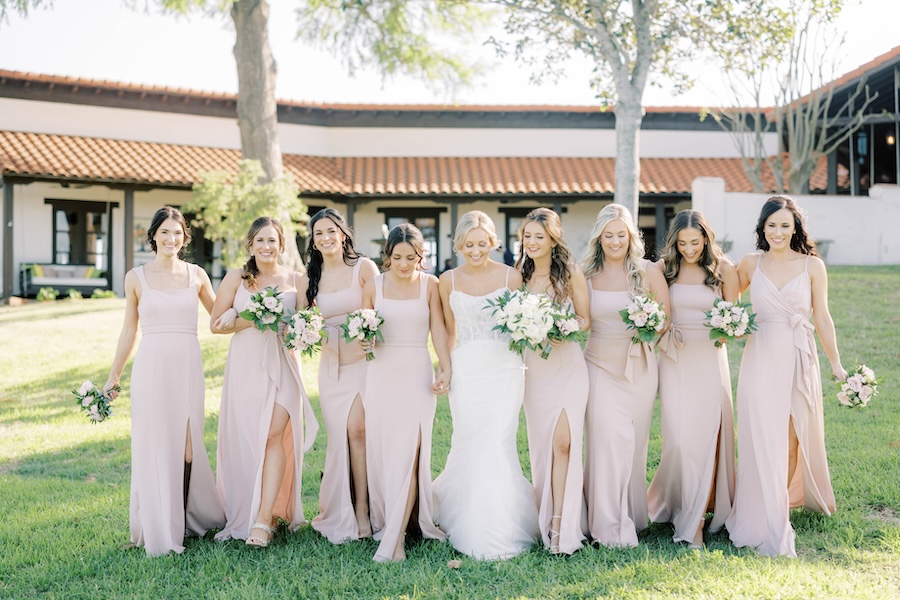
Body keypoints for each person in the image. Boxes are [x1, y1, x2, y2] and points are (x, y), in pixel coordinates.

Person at [726, 196, 846, 557]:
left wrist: (835, 364)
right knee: (762, 433)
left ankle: (782, 506)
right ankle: (761, 510)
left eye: (784, 225)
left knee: (792, 435)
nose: (777, 232)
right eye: (771, 225)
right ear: (762, 228)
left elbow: (822, 317)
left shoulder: (813, 266)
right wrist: (734, 325)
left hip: (798, 356)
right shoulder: (749, 264)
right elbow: (727, 306)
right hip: (761, 356)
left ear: (795, 228)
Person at [103, 206, 224, 557]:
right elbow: (130, 330)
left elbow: (219, 318)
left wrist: (259, 308)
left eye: (178, 233)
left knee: (187, 447)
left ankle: (184, 518)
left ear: (185, 237)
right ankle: (161, 525)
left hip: (187, 367)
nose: (172, 239)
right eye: (165, 232)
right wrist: (114, 377)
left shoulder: (197, 275)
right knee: (155, 445)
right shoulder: (136, 278)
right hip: (151, 369)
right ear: (153, 235)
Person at [433, 210, 539, 560]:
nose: (475, 250)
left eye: (481, 243)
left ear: (492, 242)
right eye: (468, 244)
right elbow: (449, 332)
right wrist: (445, 369)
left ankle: (497, 526)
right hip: (467, 371)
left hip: (505, 370)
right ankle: (463, 517)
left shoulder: (512, 277)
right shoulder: (447, 280)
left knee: (497, 442)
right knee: (467, 441)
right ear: (459, 244)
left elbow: (525, 324)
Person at [211, 216, 316, 547]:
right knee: (250, 438)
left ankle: (264, 519)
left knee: (273, 434)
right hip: (246, 366)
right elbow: (216, 325)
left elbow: (308, 324)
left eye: (272, 240)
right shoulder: (236, 279)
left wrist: (297, 329)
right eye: (260, 241)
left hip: (284, 364)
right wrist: (249, 319)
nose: (267, 247)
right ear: (251, 246)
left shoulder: (297, 280)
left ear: (282, 245)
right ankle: (248, 506)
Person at [647, 209, 738, 549]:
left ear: (706, 240)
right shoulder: (663, 270)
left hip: (709, 361)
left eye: (695, 243)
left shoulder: (723, 271)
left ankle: (695, 521)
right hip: (673, 359)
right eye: (682, 243)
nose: (688, 250)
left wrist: (728, 330)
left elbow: (734, 320)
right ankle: (674, 503)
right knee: (678, 441)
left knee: (703, 442)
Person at [581, 203, 670, 547]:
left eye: (621, 234)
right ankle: (606, 522)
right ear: (599, 237)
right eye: (608, 235)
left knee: (633, 444)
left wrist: (649, 324)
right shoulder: (585, 273)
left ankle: (632, 512)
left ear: (631, 236)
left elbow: (665, 318)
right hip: (599, 365)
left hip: (640, 367)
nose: (615, 241)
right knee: (607, 441)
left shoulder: (647, 271)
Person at [361, 224, 451, 562]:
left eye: (410, 257)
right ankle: (396, 521)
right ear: (387, 257)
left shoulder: (431, 285)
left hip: (416, 373)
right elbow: (364, 330)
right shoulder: (373, 285)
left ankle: (396, 539)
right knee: (388, 453)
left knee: (411, 453)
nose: (403, 264)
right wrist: (365, 341)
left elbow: (439, 329)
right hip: (381, 374)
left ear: (420, 257)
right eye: (397, 257)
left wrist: (445, 366)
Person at [515, 208, 590, 555]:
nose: (531, 242)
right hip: (535, 369)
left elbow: (585, 319)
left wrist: (566, 328)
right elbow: (512, 318)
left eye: (538, 236)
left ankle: (563, 524)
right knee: (543, 446)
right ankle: (545, 518)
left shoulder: (571, 273)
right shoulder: (520, 275)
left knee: (565, 443)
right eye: (527, 236)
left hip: (568, 365)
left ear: (553, 238)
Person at [306, 208, 380, 543]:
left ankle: (364, 511)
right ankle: (343, 507)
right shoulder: (313, 276)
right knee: (341, 440)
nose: (325, 238)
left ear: (343, 233)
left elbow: (379, 312)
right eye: (318, 233)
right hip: (331, 368)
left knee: (360, 430)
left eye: (331, 231)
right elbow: (304, 319)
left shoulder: (364, 268)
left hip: (364, 363)